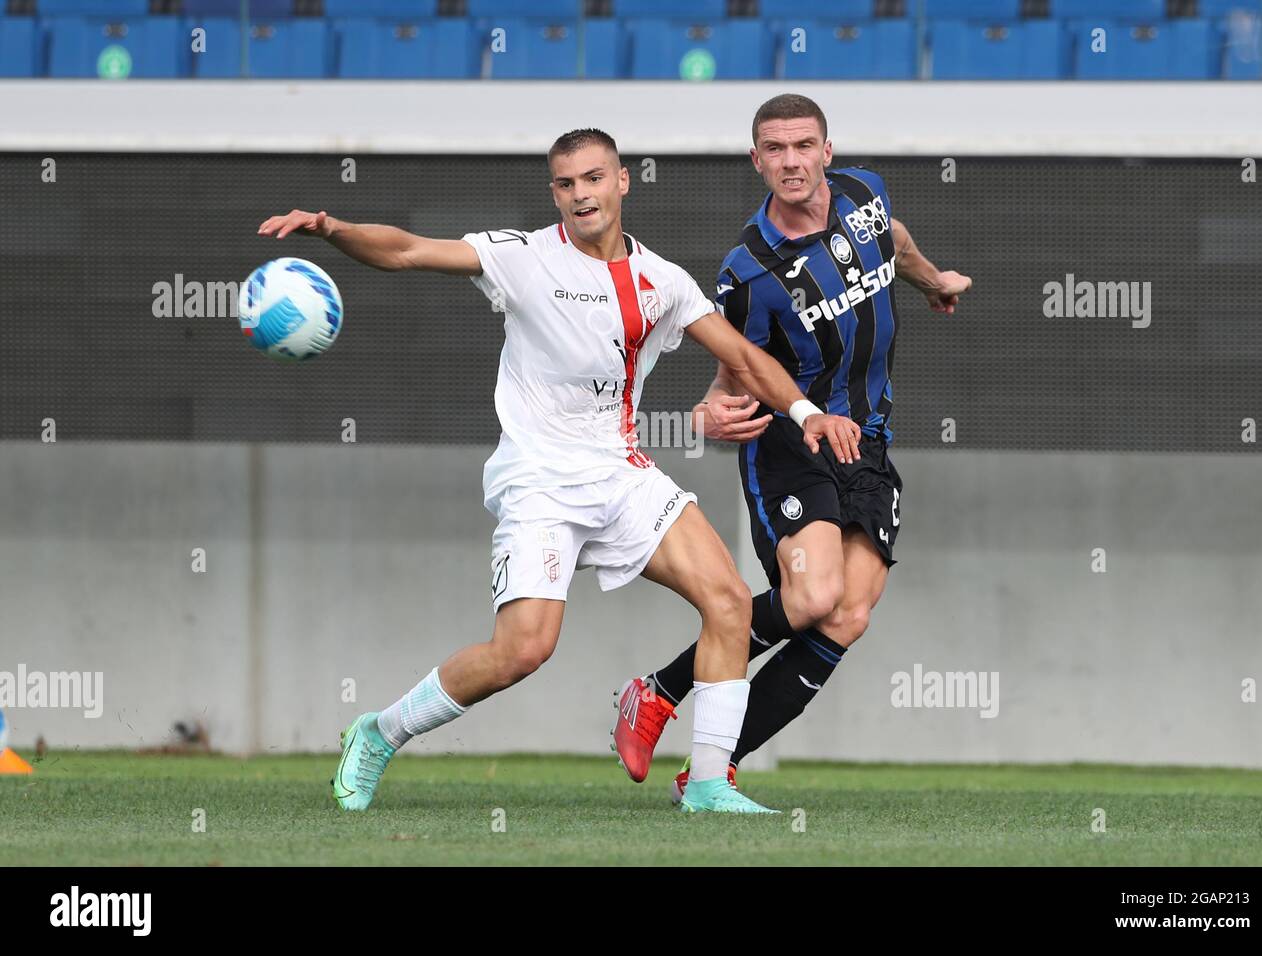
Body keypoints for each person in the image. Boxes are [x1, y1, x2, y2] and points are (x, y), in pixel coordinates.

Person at [257, 127, 861, 814]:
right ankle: (378, 732)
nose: (581, 195)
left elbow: (746, 359)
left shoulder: (662, 281)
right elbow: (405, 251)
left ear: (623, 181)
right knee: (522, 651)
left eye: (594, 178)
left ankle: (709, 785)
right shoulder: (522, 257)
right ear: (555, 193)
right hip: (540, 482)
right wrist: (333, 228)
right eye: (567, 184)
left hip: (623, 474)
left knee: (726, 599)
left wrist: (806, 411)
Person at [611, 95, 972, 800]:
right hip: (790, 445)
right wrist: (708, 414)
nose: (791, 161)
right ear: (757, 161)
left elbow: (891, 237)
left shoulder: (864, 194)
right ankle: (654, 692)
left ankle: (711, 767)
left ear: (828, 152)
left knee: (849, 615)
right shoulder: (747, 270)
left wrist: (931, 280)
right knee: (811, 597)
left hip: (866, 442)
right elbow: (734, 368)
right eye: (774, 149)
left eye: (803, 145)